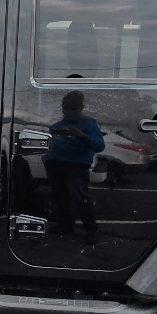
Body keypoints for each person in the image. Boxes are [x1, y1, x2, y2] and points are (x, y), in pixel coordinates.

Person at [42, 90, 105, 243]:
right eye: (66, 109)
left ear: (81, 108)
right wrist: (47, 157)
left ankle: (91, 230)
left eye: (73, 108)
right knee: (60, 197)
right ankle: (65, 225)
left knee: (80, 197)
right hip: (55, 165)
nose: (69, 112)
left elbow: (99, 146)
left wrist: (82, 135)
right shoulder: (56, 126)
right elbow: (49, 143)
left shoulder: (89, 125)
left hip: (77, 166)